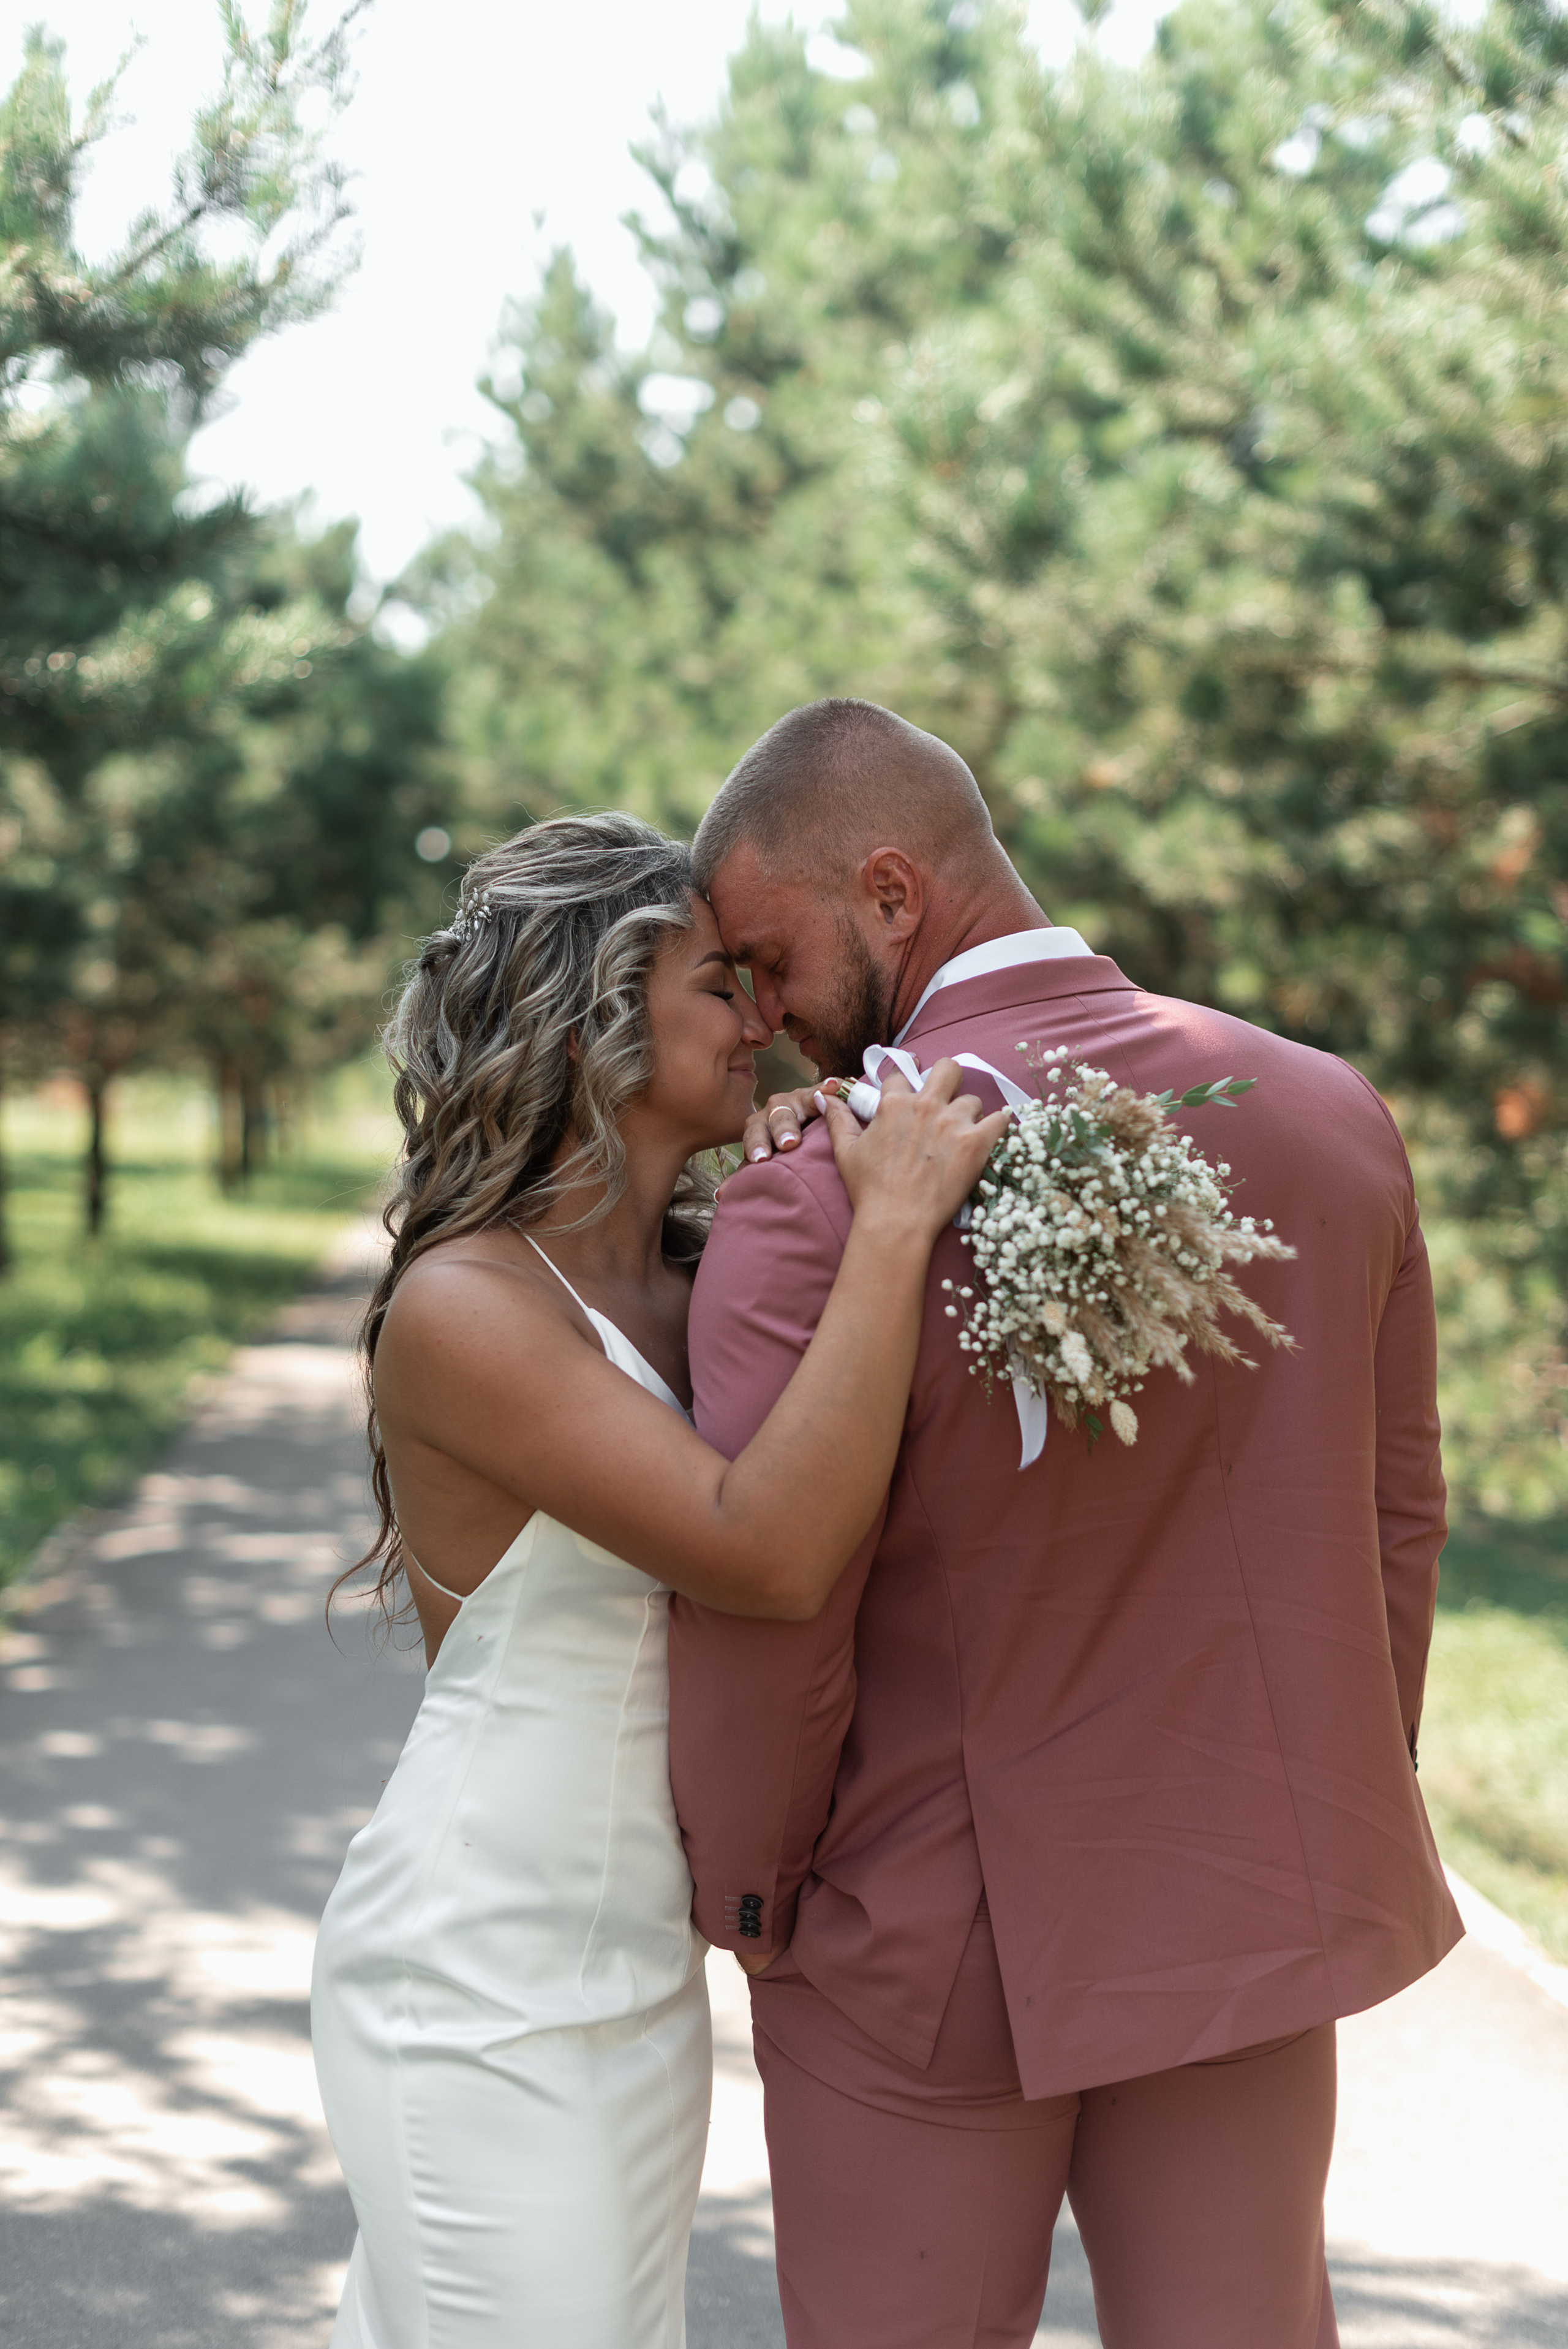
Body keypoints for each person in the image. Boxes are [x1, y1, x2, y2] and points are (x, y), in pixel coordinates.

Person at [668, 698, 1463, 2349]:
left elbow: (773, 1615)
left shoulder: (816, 1202)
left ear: (893, 893)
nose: (763, 1019)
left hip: (921, 1941)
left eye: (768, 956)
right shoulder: (1330, 1122)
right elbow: (1396, 1529)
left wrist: (755, 1904)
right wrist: (1307, 1814)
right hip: (1244, 1896)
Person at [309, 811, 1009, 2349]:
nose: (765, 1016)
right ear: (596, 1019)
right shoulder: (466, 1305)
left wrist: (799, 1212)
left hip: (631, 1981)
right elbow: (766, 1553)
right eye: (721, 982)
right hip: (479, 1979)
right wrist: (887, 1228)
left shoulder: (688, 1280)